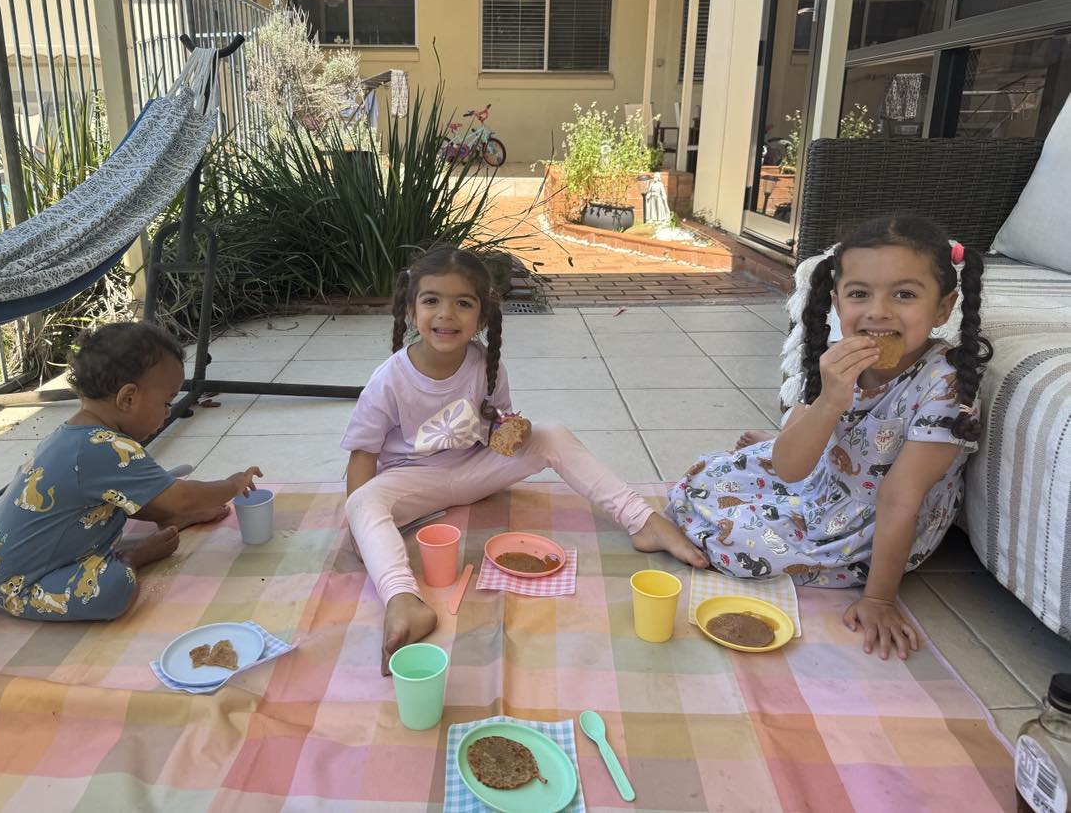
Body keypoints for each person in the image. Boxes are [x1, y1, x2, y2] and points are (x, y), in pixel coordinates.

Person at [342, 247, 707, 674]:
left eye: (463, 303)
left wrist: (518, 432)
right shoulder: (389, 379)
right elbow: (363, 455)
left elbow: (499, 429)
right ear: (410, 309)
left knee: (553, 433)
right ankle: (404, 598)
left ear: (481, 318)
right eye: (432, 300)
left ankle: (642, 520)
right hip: (412, 483)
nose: (446, 314)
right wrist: (359, 524)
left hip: (474, 473)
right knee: (363, 502)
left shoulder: (485, 364)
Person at [666, 216, 991, 660]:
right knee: (709, 472)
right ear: (838, 303)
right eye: (860, 294)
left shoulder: (947, 384)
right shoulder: (835, 360)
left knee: (740, 542)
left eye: (904, 294)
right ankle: (782, 443)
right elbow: (790, 468)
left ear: (942, 307)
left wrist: (878, 599)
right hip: (828, 477)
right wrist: (830, 401)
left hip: (875, 516)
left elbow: (899, 499)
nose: (878, 311)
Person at [0, 321, 261, 621]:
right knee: (115, 589)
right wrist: (231, 484)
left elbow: (125, 497)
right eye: (166, 403)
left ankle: (160, 527)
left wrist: (174, 509)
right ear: (128, 398)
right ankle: (131, 557)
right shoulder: (105, 447)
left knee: (133, 497)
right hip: (24, 586)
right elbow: (181, 498)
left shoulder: (79, 433)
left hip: (23, 565)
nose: (168, 413)